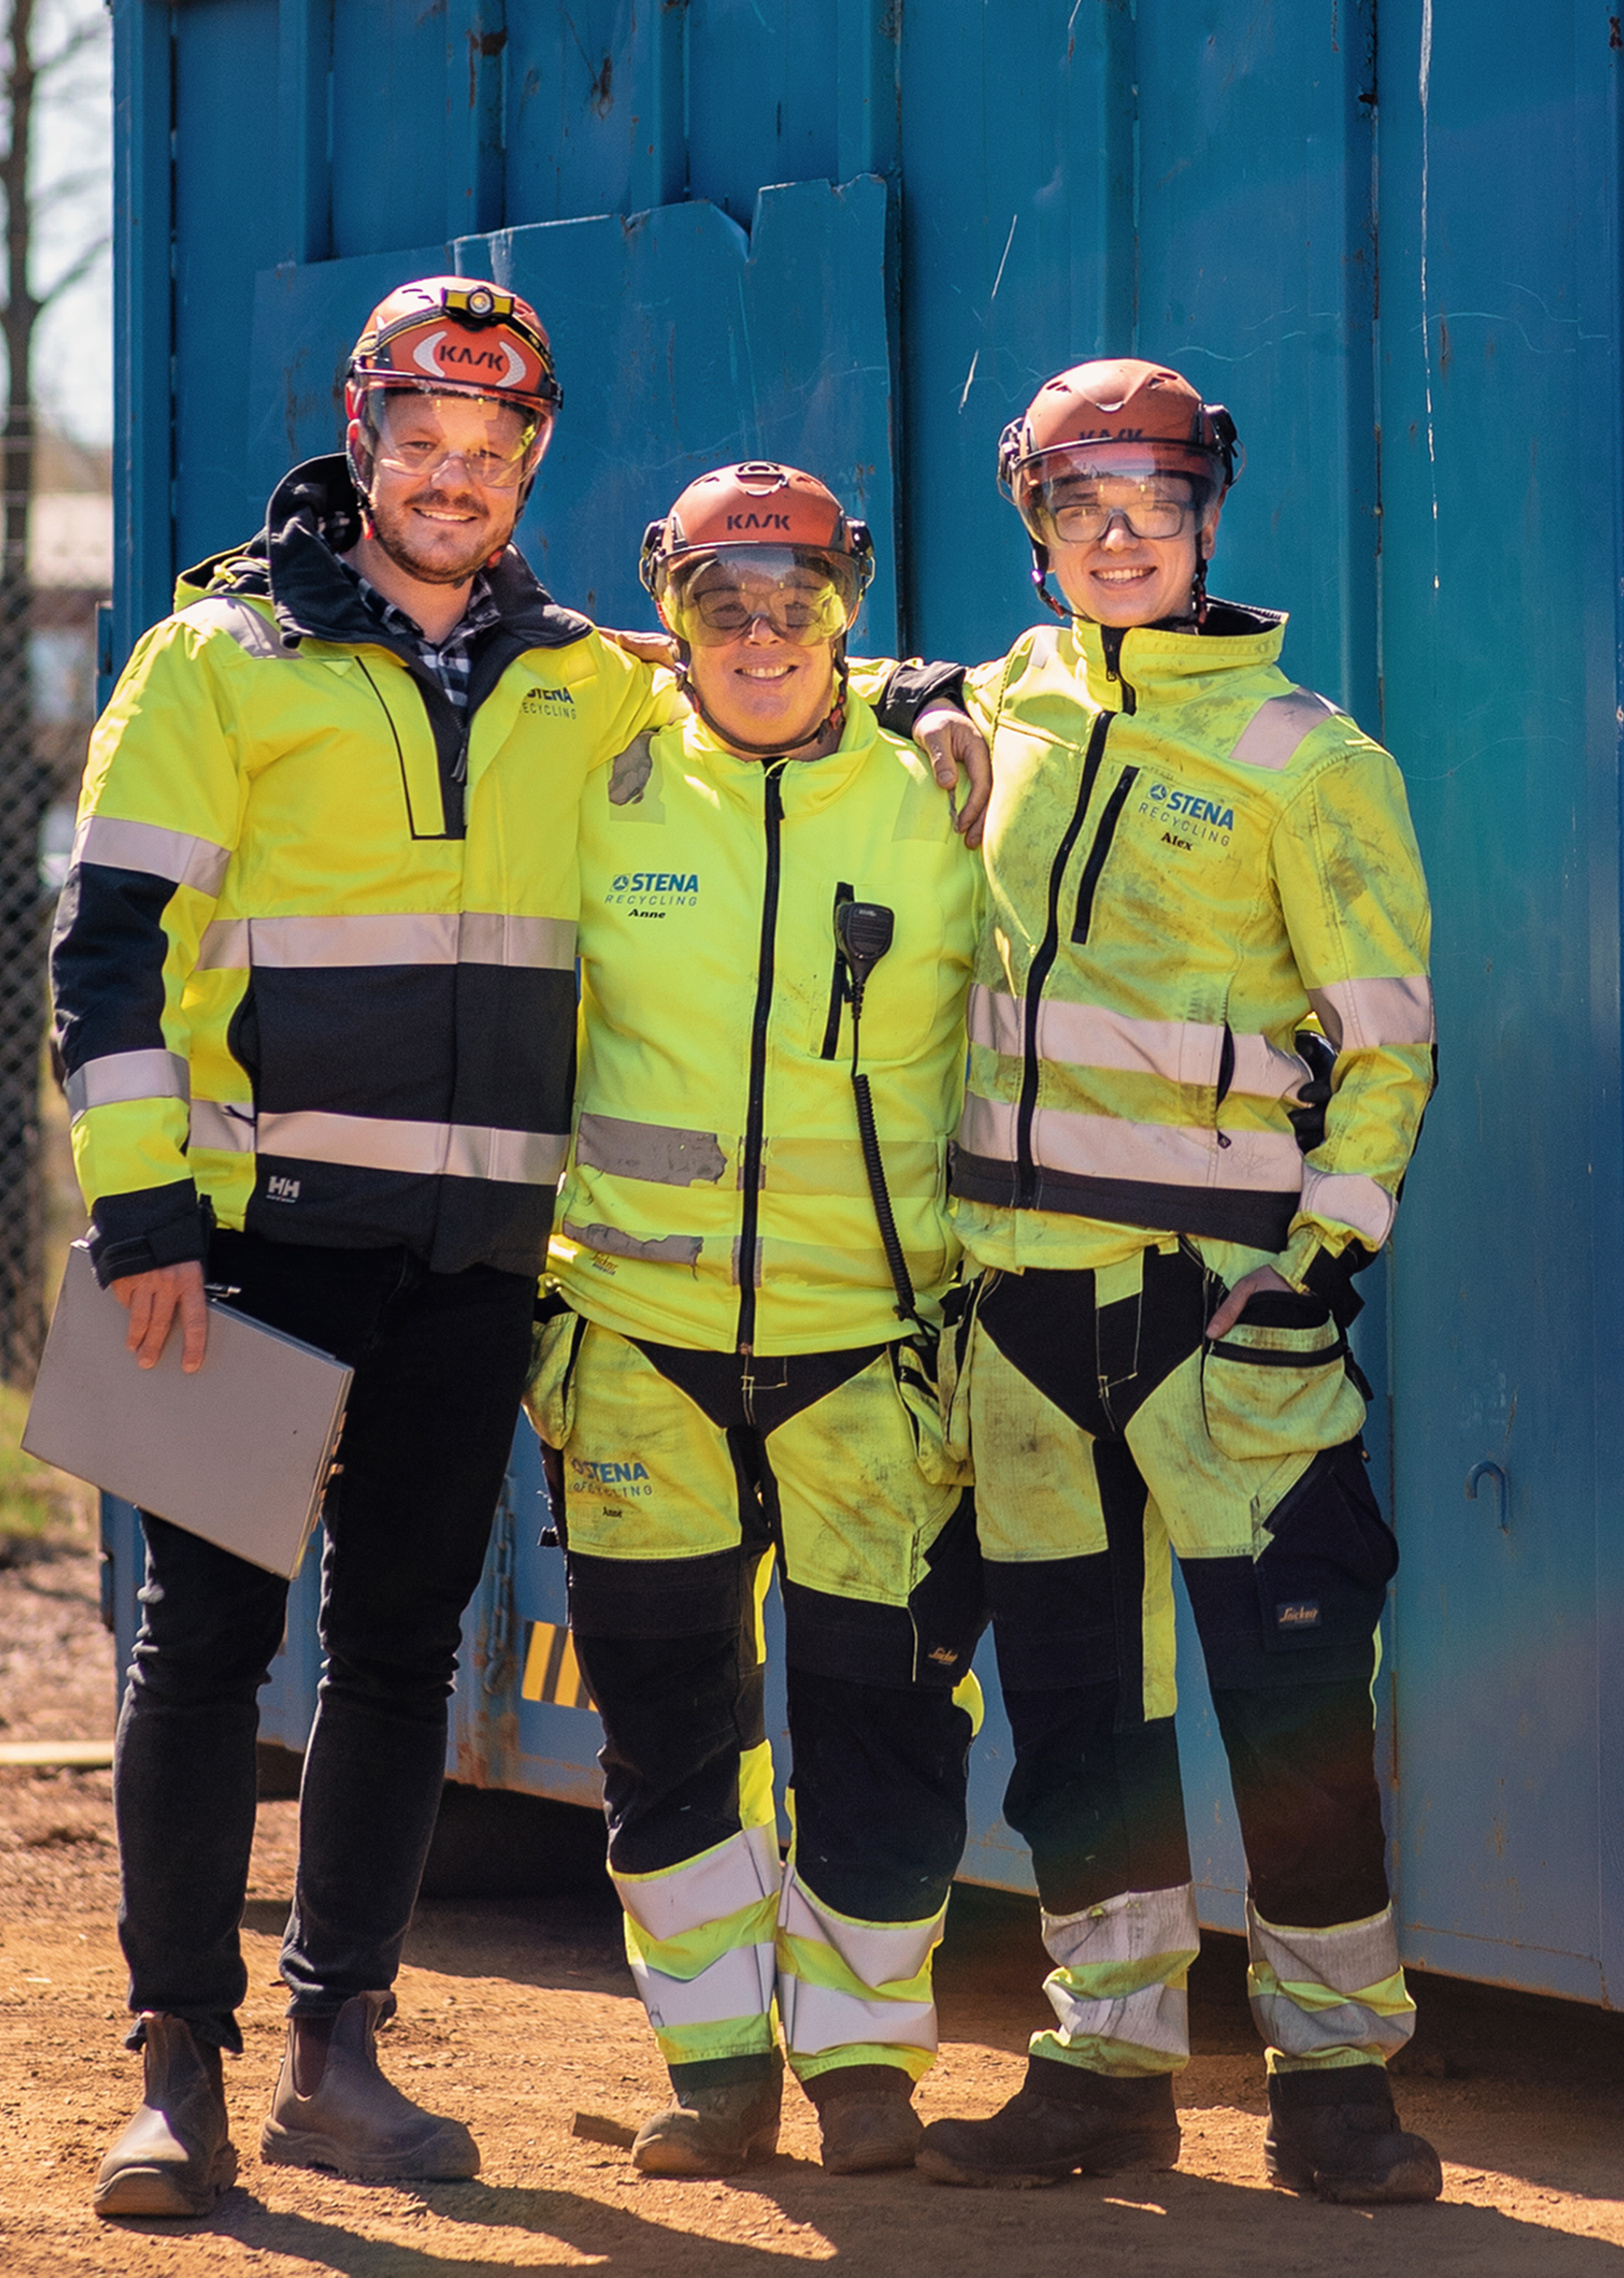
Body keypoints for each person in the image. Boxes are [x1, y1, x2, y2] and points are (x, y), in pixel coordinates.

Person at [53, 277, 666, 2220]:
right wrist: (137, 1220)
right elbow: (103, 954)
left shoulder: (590, 678)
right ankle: (175, 2076)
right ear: (361, 433)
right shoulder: (208, 658)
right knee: (202, 1657)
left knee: (399, 1654)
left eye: (494, 453)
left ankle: (338, 2054)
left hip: (477, 1257)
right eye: (425, 442)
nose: (456, 479)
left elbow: (775, 711)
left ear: (531, 457)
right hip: (224, 1245)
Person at [910, 357, 1443, 2205]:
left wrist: (1329, 1258)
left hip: (1229, 1326)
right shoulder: (986, 720)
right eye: (1079, 502)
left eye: (1154, 498)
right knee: (1078, 1723)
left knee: (1292, 1721)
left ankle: (1338, 2086)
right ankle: (1106, 2071)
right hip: (1027, 1312)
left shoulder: (1312, 761)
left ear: (1210, 512)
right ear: (1034, 523)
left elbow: (1388, 1051)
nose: (1119, 533)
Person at [532, 461, 985, 2181]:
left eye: (800, 599)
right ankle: (714, 2064)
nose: (762, 631)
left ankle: (865, 2065)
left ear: (853, 607)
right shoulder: (600, 781)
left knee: (880, 1723)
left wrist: (927, 694)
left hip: (875, 1348)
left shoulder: (956, 787)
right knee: (668, 1725)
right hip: (638, 1345)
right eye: (721, 599)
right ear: (669, 610)